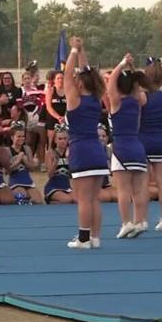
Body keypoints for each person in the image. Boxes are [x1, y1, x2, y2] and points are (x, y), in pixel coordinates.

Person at [63, 37, 110, 249]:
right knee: (94, 198)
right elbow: (88, 72)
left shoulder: (75, 98)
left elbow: (67, 74)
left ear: (79, 83)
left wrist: (73, 50)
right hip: (97, 150)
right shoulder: (96, 97)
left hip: (81, 149)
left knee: (83, 198)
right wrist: (82, 51)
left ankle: (83, 238)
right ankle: (95, 237)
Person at [108, 54, 149, 238]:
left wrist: (122, 63)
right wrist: (132, 70)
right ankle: (139, 221)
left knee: (123, 190)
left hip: (122, 147)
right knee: (138, 189)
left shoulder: (116, 102)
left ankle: (126, 223)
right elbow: (138, 88)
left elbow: (110, 84)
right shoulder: (137, 102)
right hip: (137, 146)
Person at [138, 56, 162, 231]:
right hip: (160, 140)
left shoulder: (142, 97)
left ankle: (143, 219)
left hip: (143, 140)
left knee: (143, 181)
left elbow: (137, 122)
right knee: (161, 181)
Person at [6, 122, 43, 204]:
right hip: (15, 182)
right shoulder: (7, 150)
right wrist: (18, 160)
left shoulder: (27, 149)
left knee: (38, 201)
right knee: (23, 196)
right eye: (18, 136)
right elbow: (6, 171)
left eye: (23, 136)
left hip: (27, 180)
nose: (21, 138)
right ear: (12, 137)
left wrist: (25, 160)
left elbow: (32, 168)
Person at [43, 125, 75, 204]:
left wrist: (69, 160)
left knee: (77, 200)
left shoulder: (70, 152)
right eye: (60, 139)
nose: (63, 141)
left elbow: (72, 175)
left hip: (66, 186)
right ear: (55, 140)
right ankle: (50, 200)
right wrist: (55, 163)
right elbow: (49, 175)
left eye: (65, 138)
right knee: (67, 200)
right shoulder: (50, 153)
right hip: (53, 186)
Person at [43, 70, 67, 164]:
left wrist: (65, 117)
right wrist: (58, 117)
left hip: (65, 118)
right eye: (58, 78)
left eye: (62, 78)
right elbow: (48, 106)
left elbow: (70, 106)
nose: (60, 80)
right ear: (54, 80)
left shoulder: (68, 90)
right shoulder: (51, 90)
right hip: (53, 118)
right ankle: (49, 162)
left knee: (65, 139)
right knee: (51, 141)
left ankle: (64, 160)